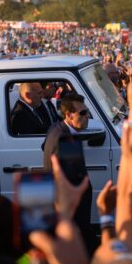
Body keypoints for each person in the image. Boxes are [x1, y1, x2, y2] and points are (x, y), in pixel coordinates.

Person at [42, 93, 93, 251]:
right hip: (73, 209)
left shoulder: (56, 128)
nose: (87, 117)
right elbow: (65, 180)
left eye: (87, 112)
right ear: (69, 115)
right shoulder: (62, 139)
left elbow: (44, 146)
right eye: (82, 113)